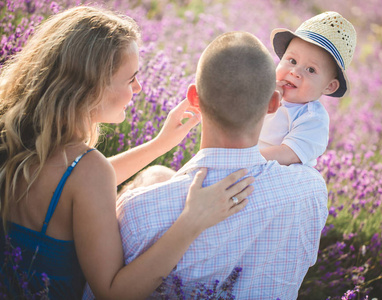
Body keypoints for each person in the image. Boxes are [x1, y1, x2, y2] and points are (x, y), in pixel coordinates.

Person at [0, 6, 254, 299]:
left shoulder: (22, 135)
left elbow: (75, 183)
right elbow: (114, 292)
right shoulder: (86, 168)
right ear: (92, 87)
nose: (139, 87)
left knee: (157, 172)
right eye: (130, 78)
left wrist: (160, 144)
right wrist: (192, 221)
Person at [91, 31, 328, 299]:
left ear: (194, 98)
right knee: (157, 174)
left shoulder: (136, 212)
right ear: (273, 103)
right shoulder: (312, 191)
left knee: (155, 175)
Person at [259, 11, 357, 166]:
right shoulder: (262, 91)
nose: (295, 72)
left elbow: (289, 154)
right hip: (246, 165)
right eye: (292, 60)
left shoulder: (312, 117)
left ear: (329, 86)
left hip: (274, 174)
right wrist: (264, 100)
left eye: (311, 70)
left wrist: (245, 159)